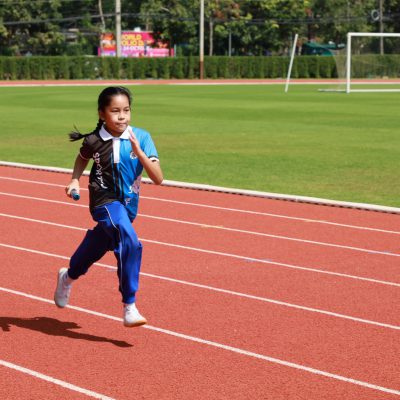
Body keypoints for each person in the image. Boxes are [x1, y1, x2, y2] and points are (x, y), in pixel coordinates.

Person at [54, 86, 163, 327]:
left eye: (126, 110)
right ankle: (129, 305)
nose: (122, 116)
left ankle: (68, 276)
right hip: (103, 200)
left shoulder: (142, 137)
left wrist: (140, 153)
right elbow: (83, 157)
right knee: (129, 240)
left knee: (99, 244)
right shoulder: (94, 140)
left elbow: (158, 178)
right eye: (115, 111)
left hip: (128, 205)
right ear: (102, 113)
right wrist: (75, 179)